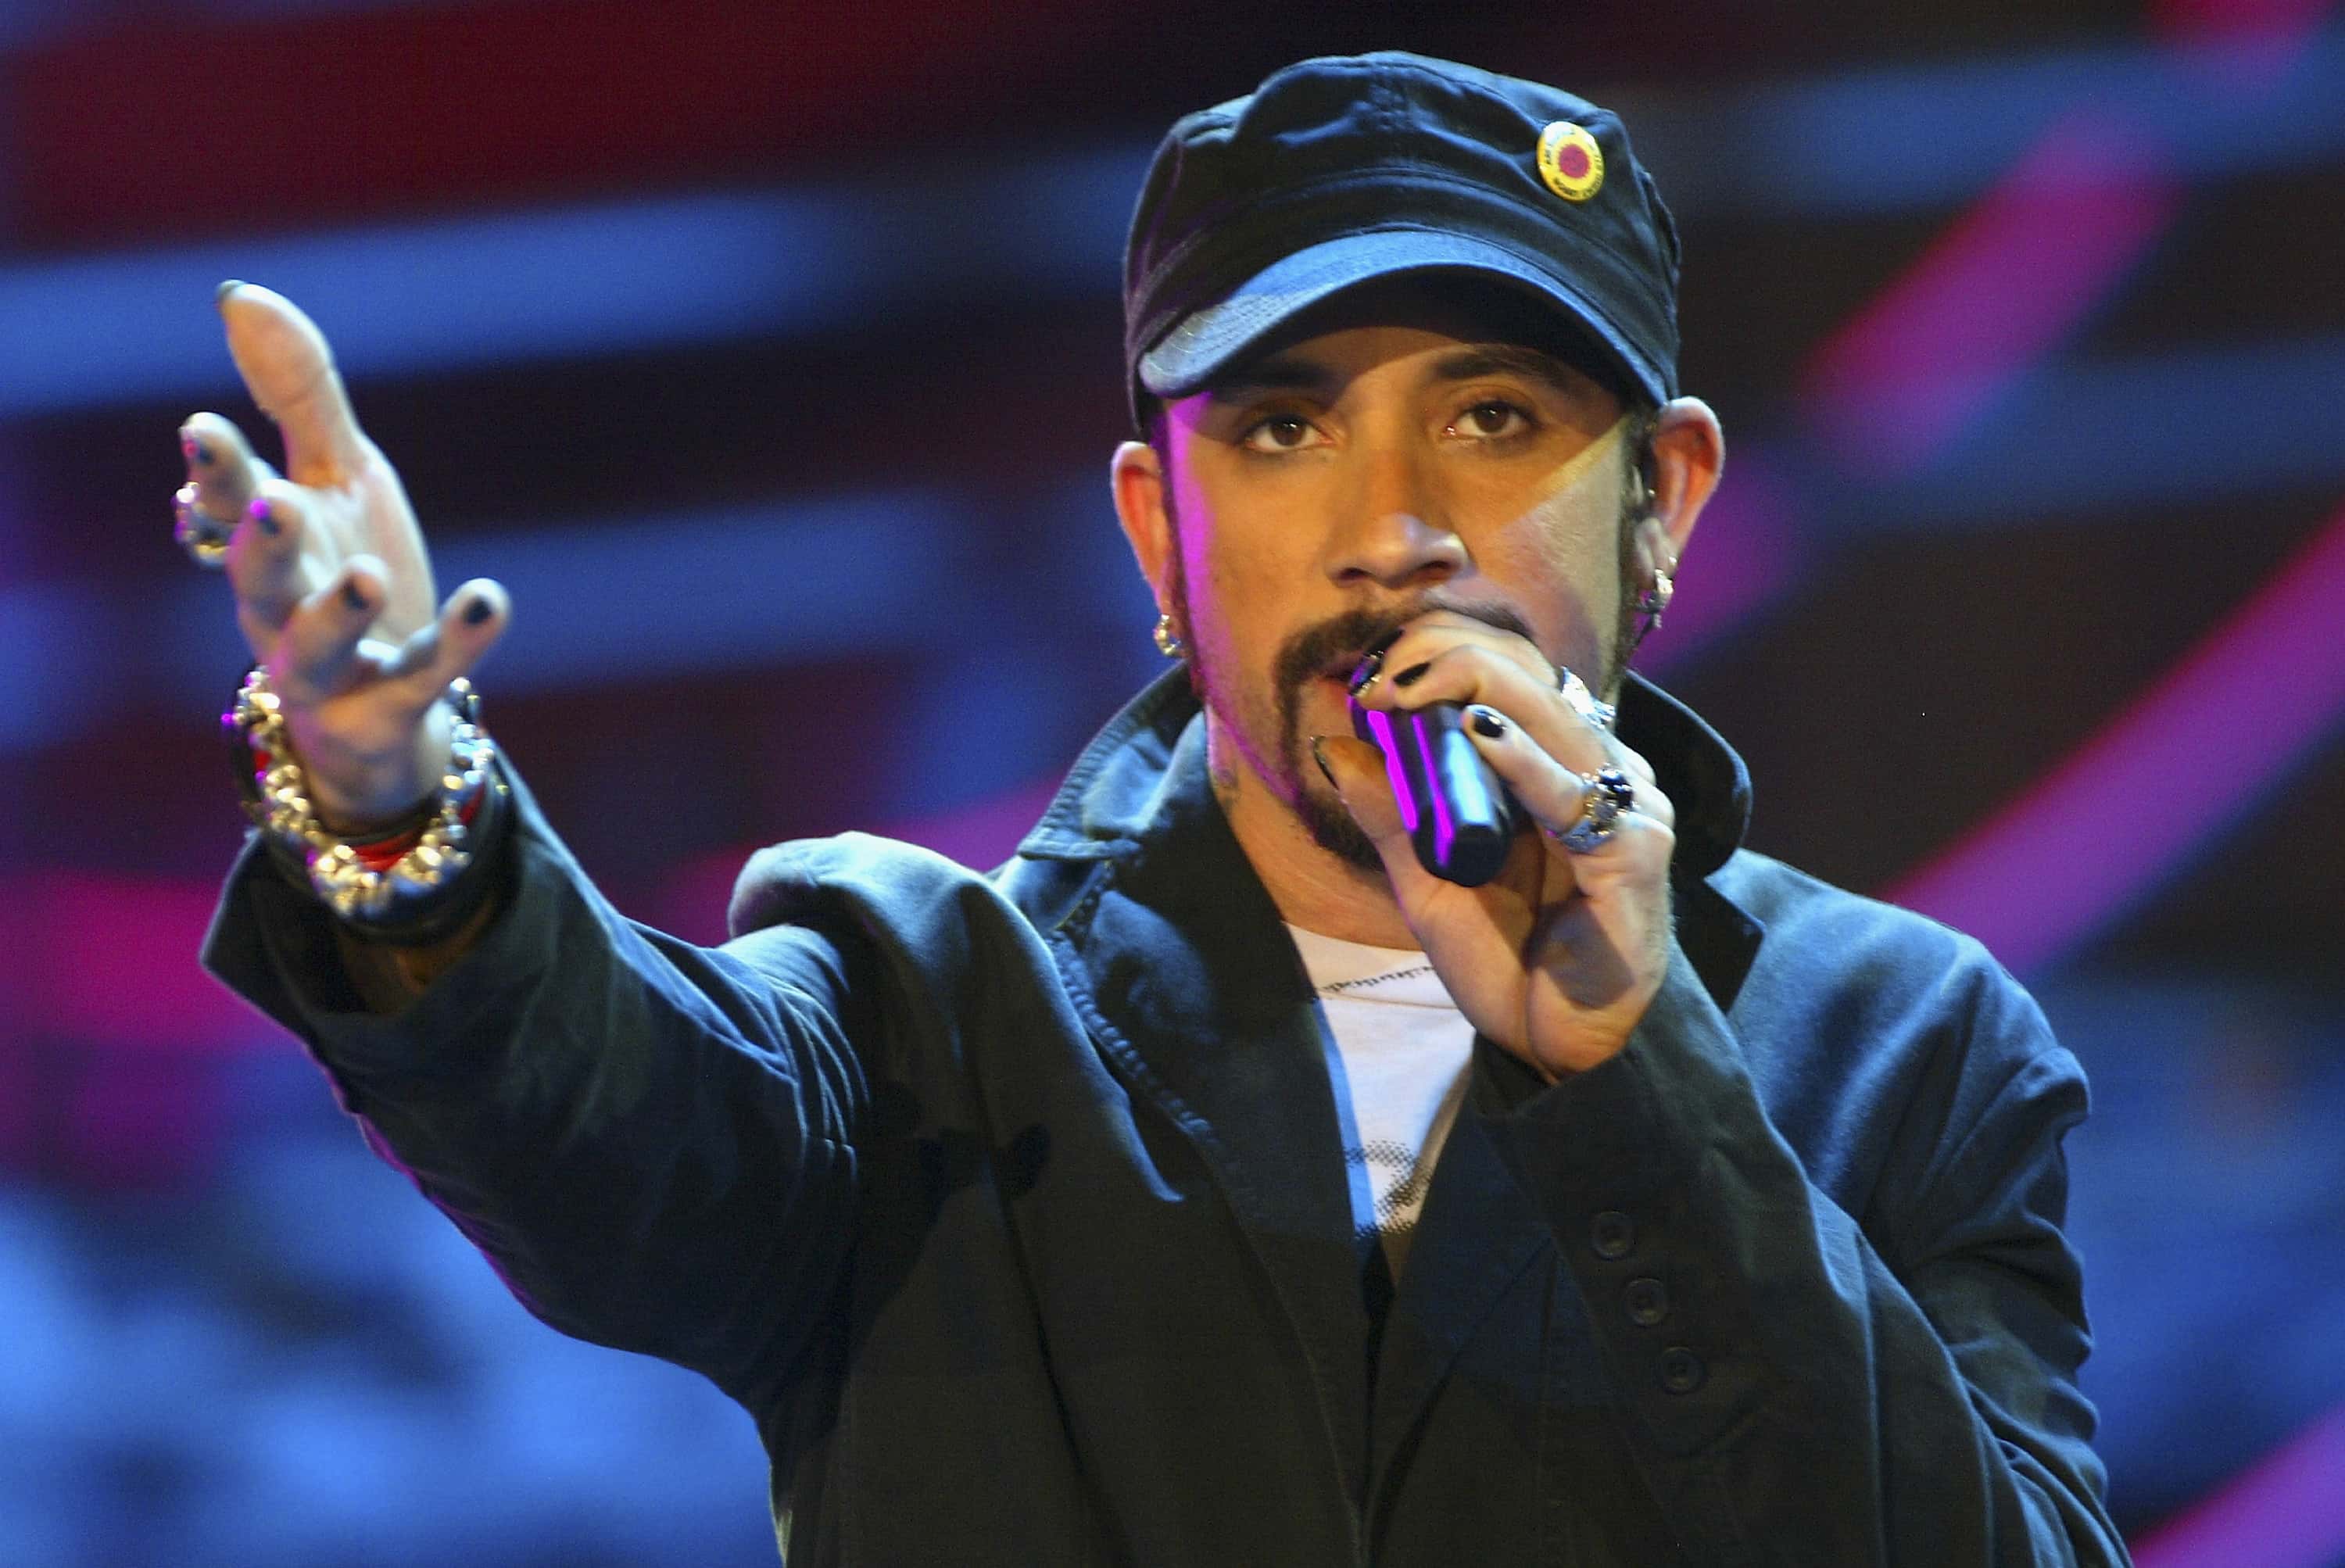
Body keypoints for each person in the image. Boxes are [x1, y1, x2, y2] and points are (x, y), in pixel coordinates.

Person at [188, 52, 2128, 1566]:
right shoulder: (918, 1009)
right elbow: (598, 1132)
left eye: (1496, 419)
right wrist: (389, 796)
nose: (1394, 534)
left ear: (1668, 506)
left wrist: (1639, 1076)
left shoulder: (1909, 1048)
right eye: (1283, 429)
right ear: (1158, 530)